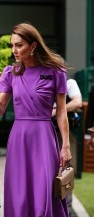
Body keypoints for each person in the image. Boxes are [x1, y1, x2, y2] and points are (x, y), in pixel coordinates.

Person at [0, 23, 72, 217]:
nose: (14, 50)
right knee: (20, 194)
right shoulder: (11, 72)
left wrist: (65, 145)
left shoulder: (56, 70)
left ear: (33, 46)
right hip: (19, 138)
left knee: (45, 192)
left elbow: (61, 112)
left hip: (44, 138)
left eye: (19, 45)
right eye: (12, 45)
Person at [52, 78, 82, 216]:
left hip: (65, 134)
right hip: (46, 132)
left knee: (65, 170)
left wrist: (56, 109)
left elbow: (77, 102)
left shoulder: (69, 83)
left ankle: (67, 210)